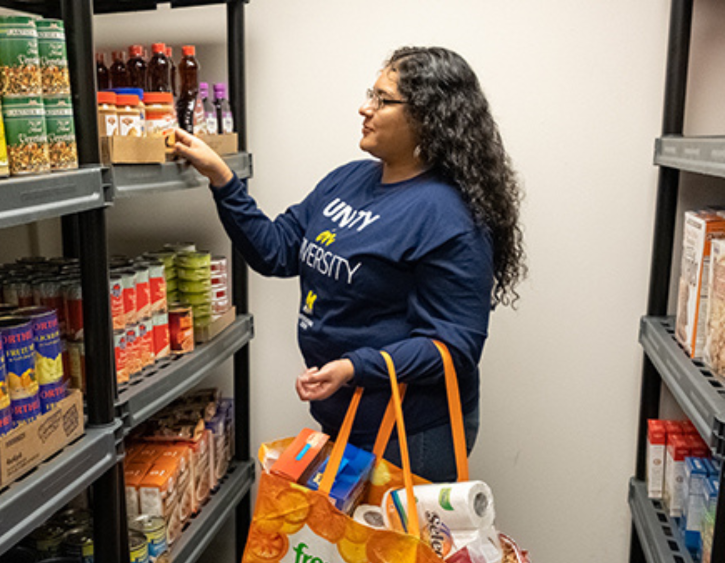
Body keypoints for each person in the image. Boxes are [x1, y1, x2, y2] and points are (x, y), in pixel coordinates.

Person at [173, 46, 525, 482]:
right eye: (369, 94)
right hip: (344, 411)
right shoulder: (348, 180)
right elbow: (275, 251)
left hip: (410, 431)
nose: (365, 107)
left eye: (383, 99)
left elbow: (453, 348)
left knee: (392, 550)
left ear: (429, 116)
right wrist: (222, 179)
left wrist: (355, 367)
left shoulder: (449, 216)